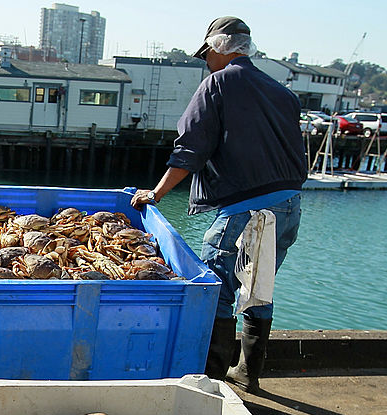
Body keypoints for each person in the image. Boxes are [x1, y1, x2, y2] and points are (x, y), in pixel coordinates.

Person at [130, 16, 306, 394]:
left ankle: (210, 381)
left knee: (216, 289)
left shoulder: (219, 83)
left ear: (221, 48)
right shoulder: (283, 93)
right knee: (259, 285)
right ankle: (247, 373)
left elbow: (190, 148)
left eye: (207, 53)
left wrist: (155, 194)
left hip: (247, 209)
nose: (206, 61)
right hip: (290, 206)